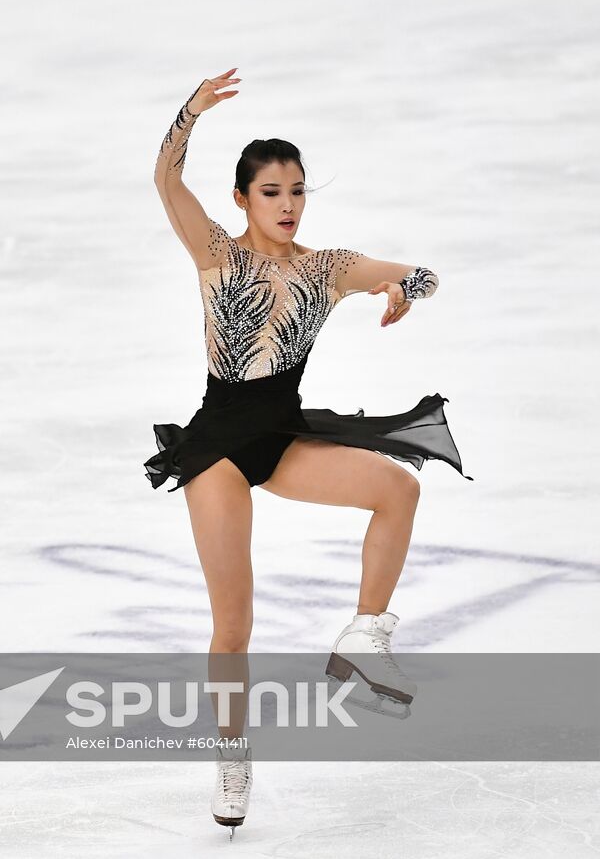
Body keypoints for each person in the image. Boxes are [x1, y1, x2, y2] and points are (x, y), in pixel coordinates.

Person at [144, 68, 472, 834]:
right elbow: (164, 175)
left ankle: (364, 636)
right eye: (271, 192)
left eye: (297, 191)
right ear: (242, 200)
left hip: (285, 437)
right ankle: (232, 757)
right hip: (220, 446)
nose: (287, 204)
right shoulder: (217, 255)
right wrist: (191, 112)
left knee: (398, 489)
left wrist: (404, 291)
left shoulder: (327, 270)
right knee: (234, 625)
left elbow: (426, 272)